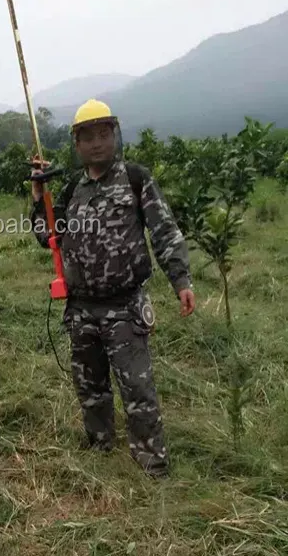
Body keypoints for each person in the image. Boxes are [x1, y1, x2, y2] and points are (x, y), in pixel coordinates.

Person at [30, 99, 195, 478]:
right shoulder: (73, 189)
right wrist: (40, 202)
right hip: (81, 308)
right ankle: (99, 445)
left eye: (104, 134)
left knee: (137, 388)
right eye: (88, 137)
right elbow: (48, 238)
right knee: (90, 386)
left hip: (124, 306)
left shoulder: (136, 179)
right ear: (77, 145)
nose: (97, 143)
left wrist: (181, 280)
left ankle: (152, 463)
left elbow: (164, 231)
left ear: (115, 136)